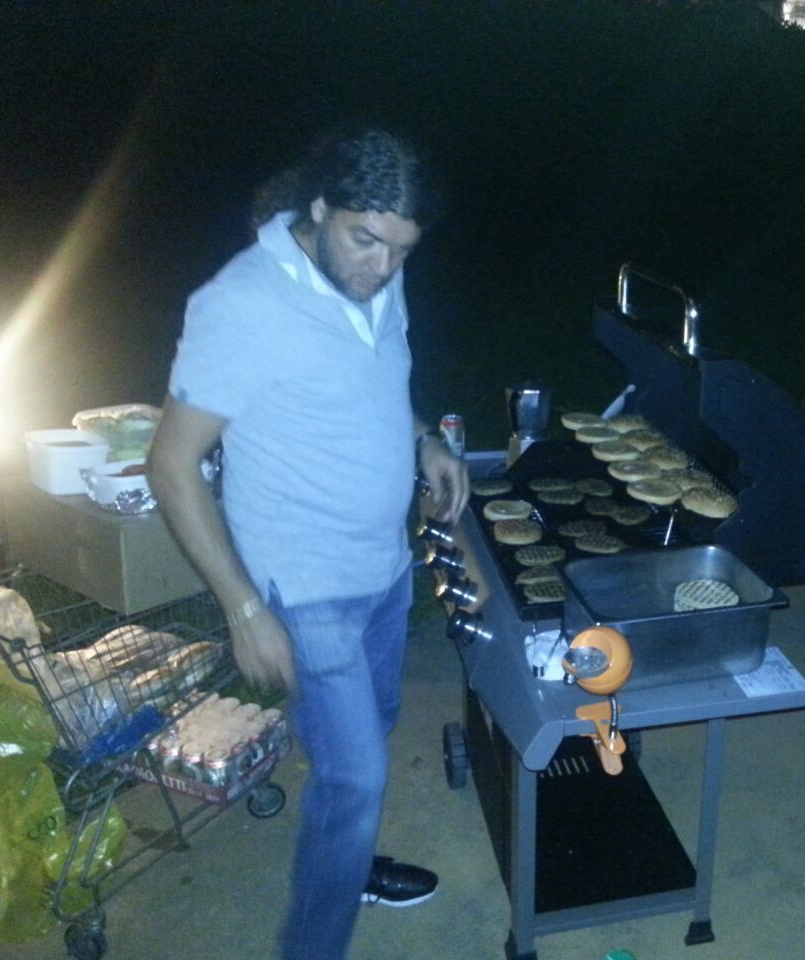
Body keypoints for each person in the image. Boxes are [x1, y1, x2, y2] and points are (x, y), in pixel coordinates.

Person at [148, 126, 468, 960]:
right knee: (357, 775)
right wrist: (243, 608)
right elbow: (171, 464)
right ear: (320, 208)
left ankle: (345, 860)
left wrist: (424, 442)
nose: (382, 268)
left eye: (402, 250)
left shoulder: (377, 273)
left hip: (383, 566)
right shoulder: (241, 305)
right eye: (366, 241)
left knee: (367, 737)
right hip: (303, 582)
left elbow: (376, 385)